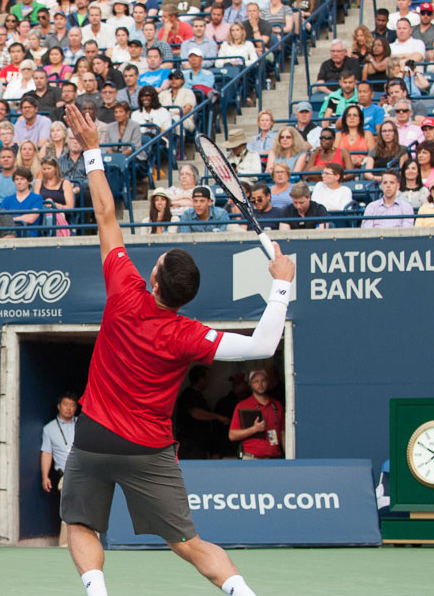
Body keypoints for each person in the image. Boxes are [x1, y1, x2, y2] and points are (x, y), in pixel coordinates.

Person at [60, 106, 294, 596]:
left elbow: (104, 213)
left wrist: (93, 151)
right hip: (149, 448)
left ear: (154, 279)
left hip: (96, 437)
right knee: (188, 542)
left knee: (80, 524)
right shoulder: (191, 334)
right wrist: (282, 287)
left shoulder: (125, 289)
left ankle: (97, 591)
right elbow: (264, 343)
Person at [173, 366, 229, 459]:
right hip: (190, 446)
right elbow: (195, 413)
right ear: (201, 379)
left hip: (200, 445)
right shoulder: (189, 394)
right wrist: (218, 417)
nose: (208, 382)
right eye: (207, 378)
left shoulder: (199, 395)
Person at [227, 370, 284, 459]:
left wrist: (289, 457)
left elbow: (283, 432)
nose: (260, 384)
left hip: (274, 459)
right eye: (256, 381)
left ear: (268, 382)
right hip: (252, 458)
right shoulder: (242, 405)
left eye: (263, 380)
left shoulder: (277, 405)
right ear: (250, 384)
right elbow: (232, 435)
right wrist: (254, 429)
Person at [41, 393, 80, 493]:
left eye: (72, 405)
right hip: (65, 476)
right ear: (59, 406)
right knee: (70, 507)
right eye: (65, 404)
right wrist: (45, 477)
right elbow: (47, 453)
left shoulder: (82, 424)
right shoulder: (49, 429)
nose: (68, 408)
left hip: (85, 474)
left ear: (76, 408)